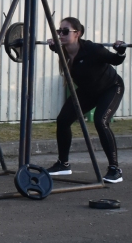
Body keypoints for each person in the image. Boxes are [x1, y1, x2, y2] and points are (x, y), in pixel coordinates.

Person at [45, 17, 126, 183]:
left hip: (111, 88)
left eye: (65, 31)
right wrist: (53, 45)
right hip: (88, 91)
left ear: (78, 33)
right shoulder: (64, 50)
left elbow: (116, 60)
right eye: (59, 31)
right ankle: (63, 164)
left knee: (101, 121)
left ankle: (115, 169)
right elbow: (56, 49)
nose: (61, 34)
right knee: (63, 120)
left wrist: (121, 50)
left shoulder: (93, 49)